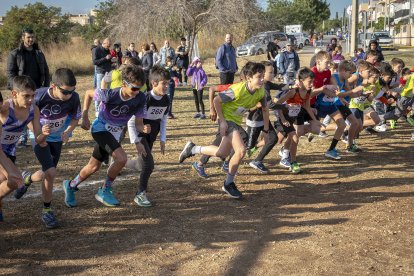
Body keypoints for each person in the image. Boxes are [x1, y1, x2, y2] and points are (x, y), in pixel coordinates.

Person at [62, 65, 149, 207]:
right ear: (123, 84)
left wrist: (143, 128)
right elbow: (89, 93)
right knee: (121, 159)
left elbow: (139, 123)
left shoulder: (140, 98)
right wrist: (84, 115)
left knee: (93, 166)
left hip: (115, 133)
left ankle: (70, 185)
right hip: (100, 129)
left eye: (140, 88)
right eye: (134, 88)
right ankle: (105, 190)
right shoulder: (110, 94)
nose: (137, 92)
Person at [179, 62, 269, 199]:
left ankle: (193, 149)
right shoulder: (237, 90)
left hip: (235, 122)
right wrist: (222, 122)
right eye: (259, 77)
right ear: (249, 77)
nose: (262, 80)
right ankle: (228, 183)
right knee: (241, 150)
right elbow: (216, 100)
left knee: (222, 153)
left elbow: (265, 109)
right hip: (227, 120)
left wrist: (266, 130)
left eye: (263, 76)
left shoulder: (260, 91)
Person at [0, 76, 49, 224]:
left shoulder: (33, 110)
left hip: (9, 152)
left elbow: (38, 137)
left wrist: (44, 135)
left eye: (33, 96)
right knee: (13, 179)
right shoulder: (5, 108)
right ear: (14, 94)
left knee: (10, 183)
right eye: (26, 96)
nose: (30, 100)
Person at [126, 66, 170, 207]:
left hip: (152, 136)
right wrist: (136, 141)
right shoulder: (144, 99)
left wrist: (162, 139)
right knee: (148, 165)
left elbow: (163, 119)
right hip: (140, 135)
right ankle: (140, 194)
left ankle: (119, 162)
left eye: (168, 83)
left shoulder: (166, 99)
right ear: (154, 83)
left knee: (140, 164)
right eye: (164, 83)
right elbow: (131, 122)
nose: (167, 86)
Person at [7, 28, 50, 148]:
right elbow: (10, 74)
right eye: (28, 37)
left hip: (37, 90)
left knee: (34, 114)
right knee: (21, 113)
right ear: (23, 38)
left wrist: (46, 87)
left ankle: (38, 136)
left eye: (32, 37)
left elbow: (46, 71)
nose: (31, 39)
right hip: (21, 91)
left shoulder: (39, 53)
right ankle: (22, 139)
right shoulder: (15, 54)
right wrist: (16, 89)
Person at [275, 67, 321, 174]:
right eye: (310, 82)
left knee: (298, 135)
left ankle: (289, 157)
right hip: (286, 116)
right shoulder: (293, 92)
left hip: (297, 114)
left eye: (313, 82)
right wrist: (282, 118)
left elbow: (307, 107)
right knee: (291, 138)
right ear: (301, 81)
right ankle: (289, 159)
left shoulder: (309, 91)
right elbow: (278, 104)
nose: (312, 84)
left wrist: (315, 120)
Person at [247, 61, 284, 173]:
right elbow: (270, 105)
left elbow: (279, 86)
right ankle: (219, 160)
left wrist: (292, 85)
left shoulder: (267, 84)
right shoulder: (263, 87)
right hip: (255, 120)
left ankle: (257, 161)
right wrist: (285, 106)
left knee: (273, 138)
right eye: (271, 72)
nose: (273, 75)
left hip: (263, 118)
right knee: (244, 147)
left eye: (273, 72)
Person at [311, 50, 346, 160]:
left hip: (327, 103)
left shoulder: (327, 72)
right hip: (312, 105)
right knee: (308, 130)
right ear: (318, 61)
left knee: (342, 124)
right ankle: (286, 149)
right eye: (326, 62)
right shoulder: (312, 73)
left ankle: (331, 150)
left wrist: (337, 92)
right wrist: (325, 88)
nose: (329, 64)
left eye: (329, 62)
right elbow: (311, 92)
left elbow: (332, 83)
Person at [331, 61, 364, 153]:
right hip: (334, 104)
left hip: (341, 104)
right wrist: (354, 90)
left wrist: (361, 94)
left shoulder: (345, 80)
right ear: (343, 70)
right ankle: (332, 148)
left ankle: (350, 145)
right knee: (342, 126)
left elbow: (351, 94)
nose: (351, 75)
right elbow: (338, 94)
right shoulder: (334, 77)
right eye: (350, 73)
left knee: (355, 123)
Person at [93, 37, 113, 115]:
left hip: (108, 72)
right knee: (99, 90)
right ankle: (97, 109)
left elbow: (108, 60)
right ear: (104, 43)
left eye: (109, 46)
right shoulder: (96, 50)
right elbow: (95, 62)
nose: (109, 47)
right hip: (100, 72)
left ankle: (105, 108)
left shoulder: (107, 50)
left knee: (107, 90)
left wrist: (111, 60)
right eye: (108, 46)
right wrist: (105, 58)